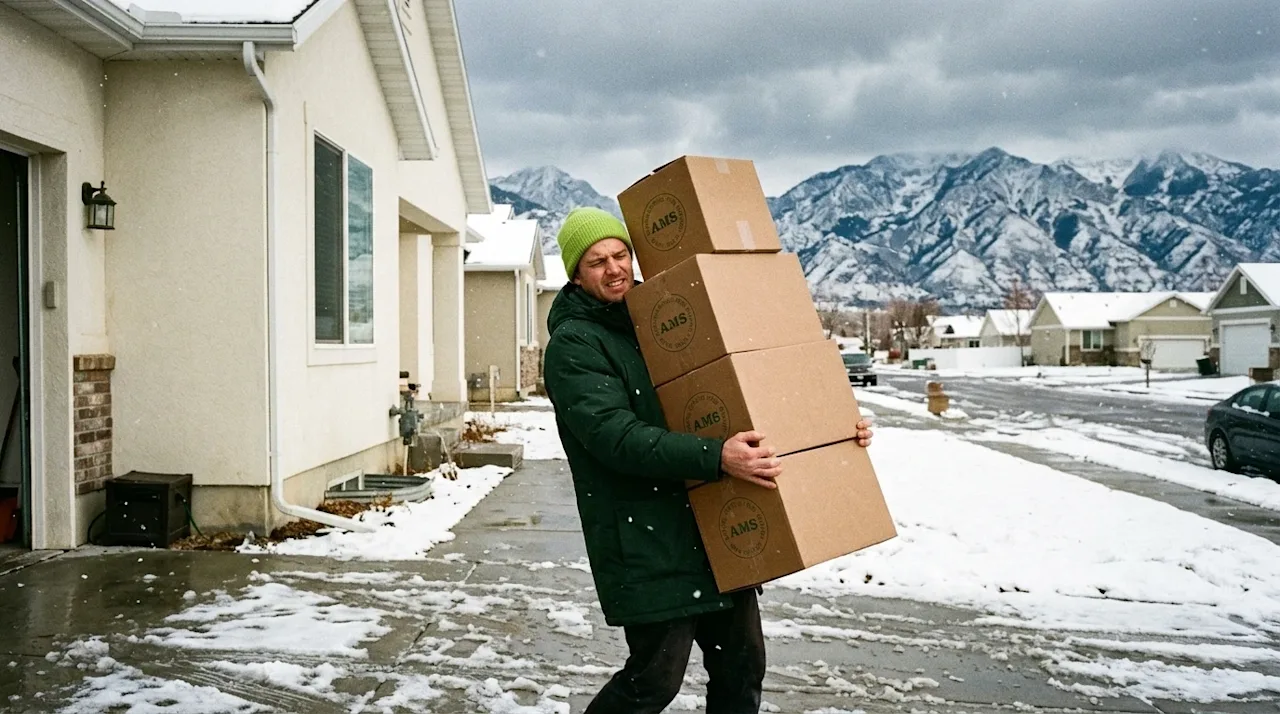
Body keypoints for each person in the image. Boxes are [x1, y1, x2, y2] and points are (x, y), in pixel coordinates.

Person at [543, 206, 874, 713]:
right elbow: (615, 436)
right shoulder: (575, 345)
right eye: (596, 261)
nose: (613, 269)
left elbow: (738, 387)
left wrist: (831, 431)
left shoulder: (658, 324)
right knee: (653, 680)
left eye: (620, 254)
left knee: (742, 668)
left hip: (712, 529)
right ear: (575, 274)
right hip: (646, 538)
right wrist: (716, 456)